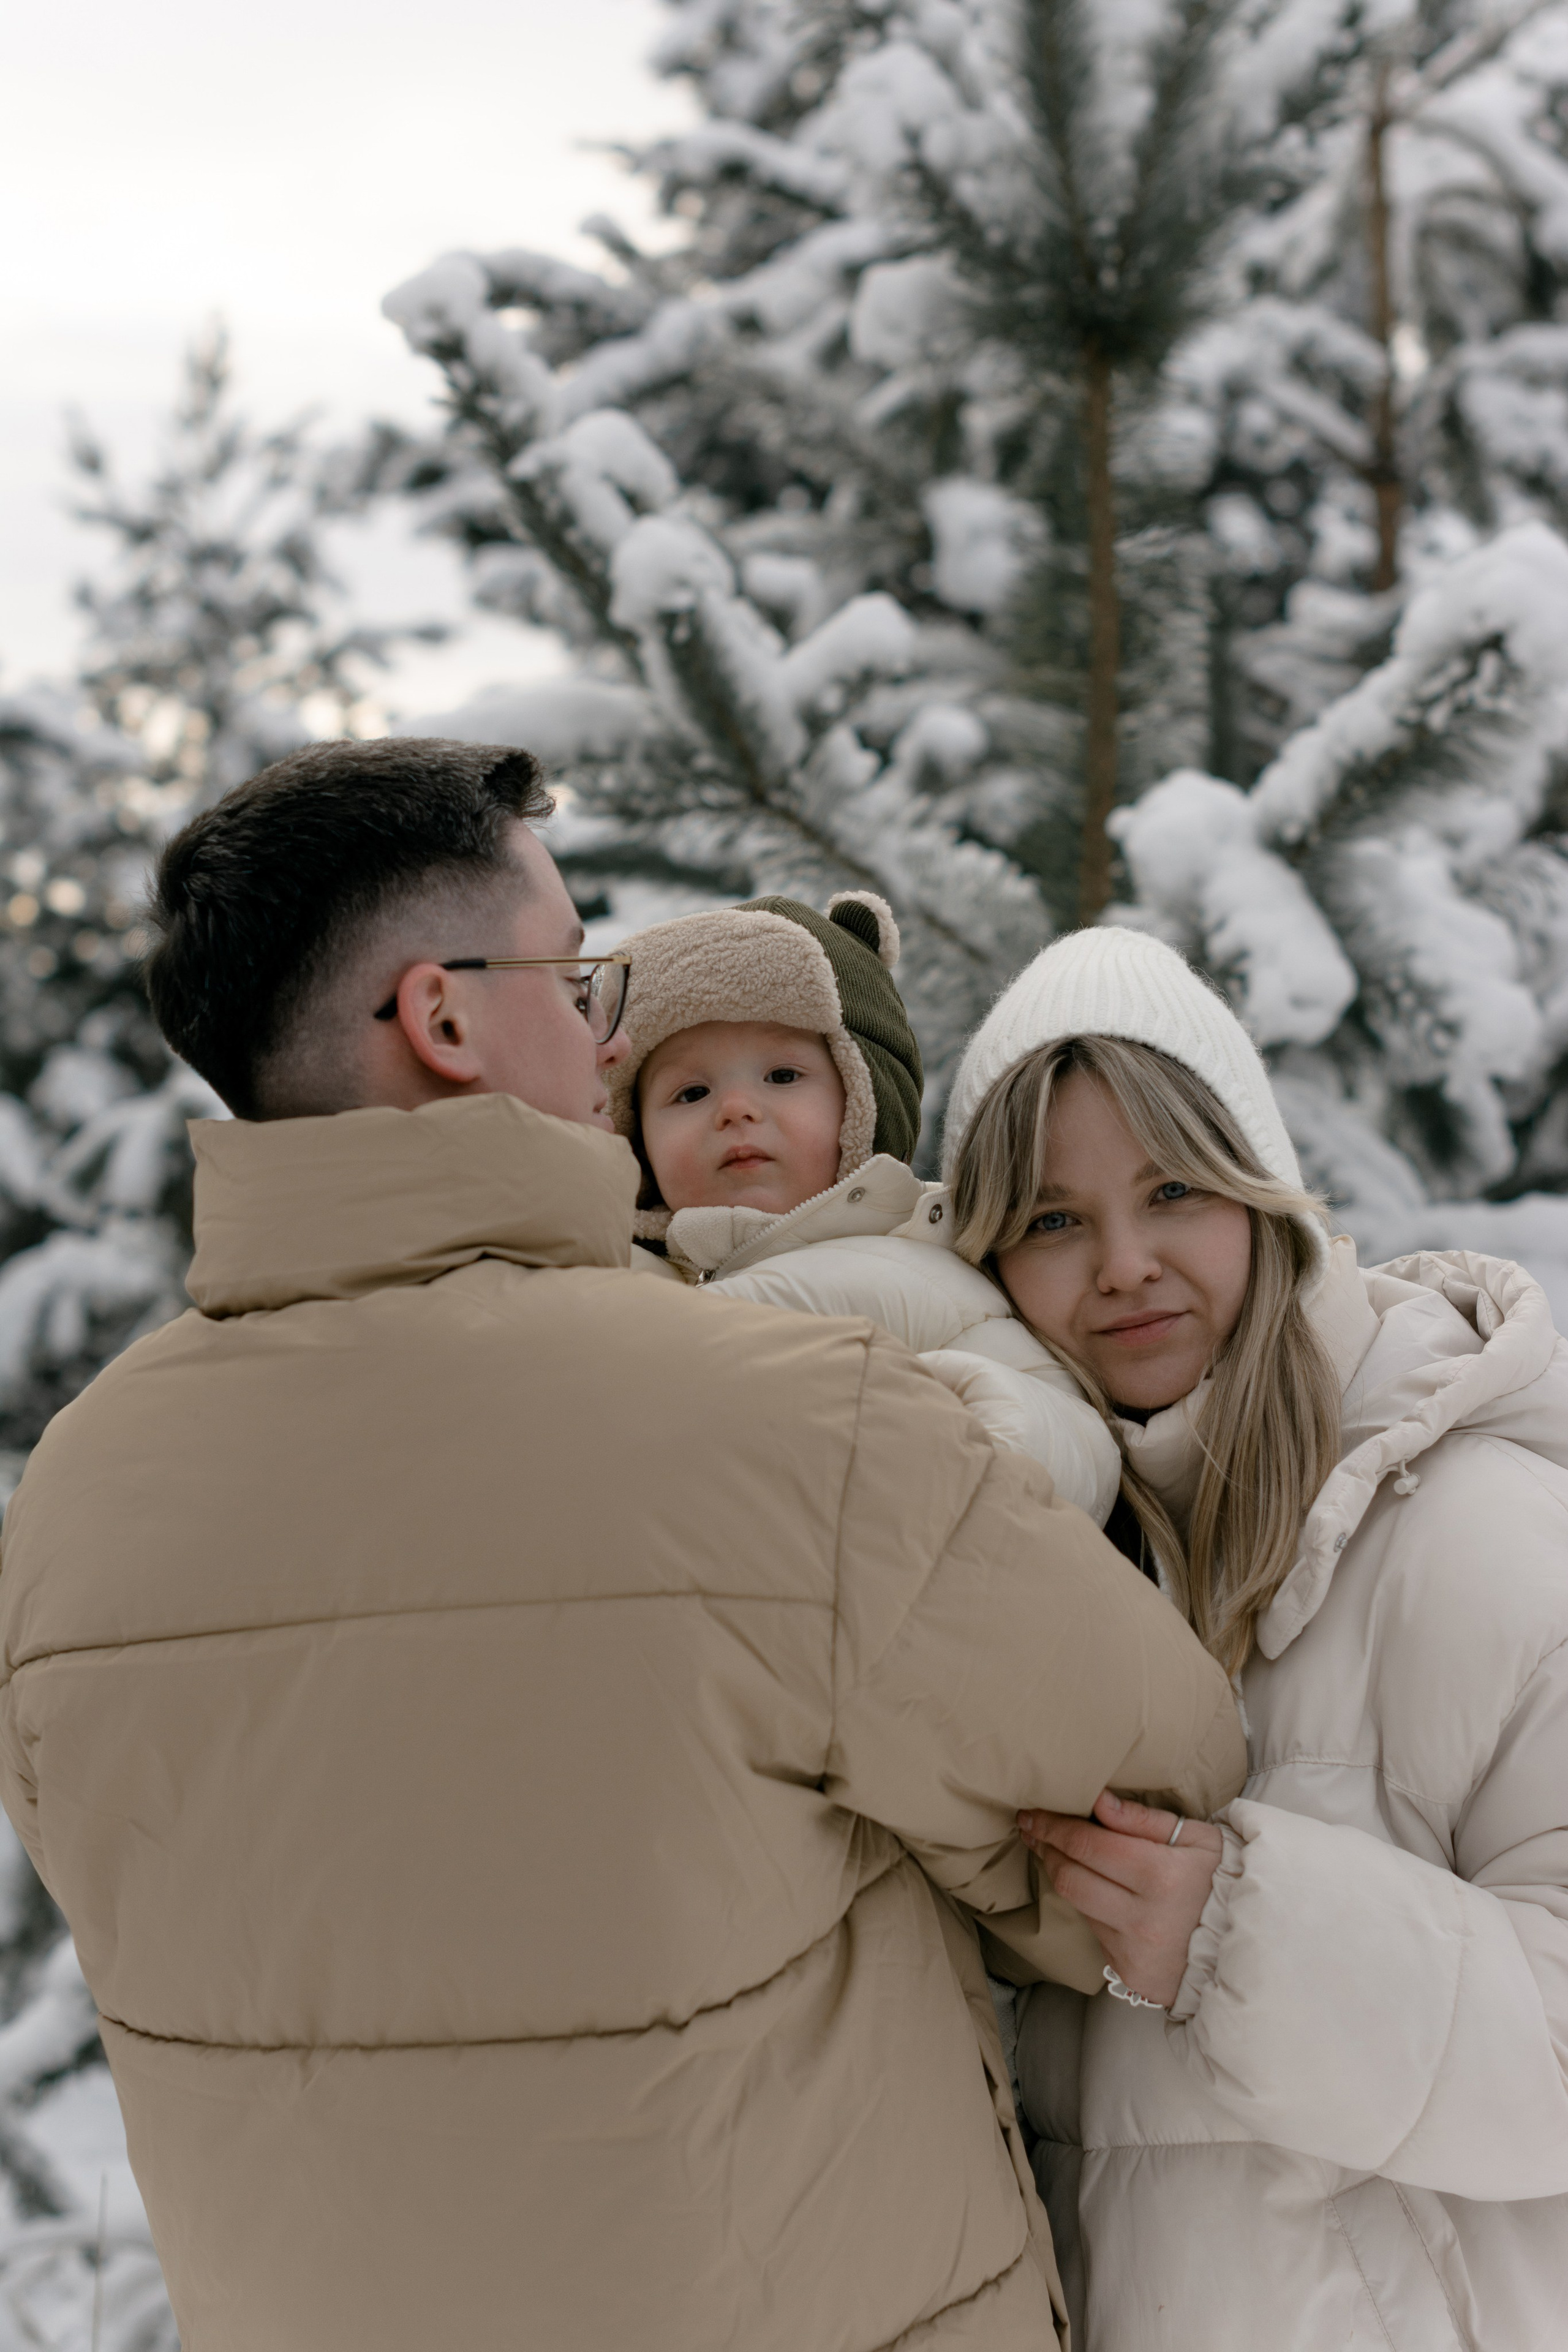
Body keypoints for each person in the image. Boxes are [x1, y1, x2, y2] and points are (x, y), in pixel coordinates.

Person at [0, 740, 1245, 2352]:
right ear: (447, 1018)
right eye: (579, 978)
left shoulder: (77, 1497)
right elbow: (1147, 1821)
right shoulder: (793, 1423)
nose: (608, 1035)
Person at [943, 921, 1568, 2352]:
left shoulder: (1470, 1530)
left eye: (1171, 1188)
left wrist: (1246, 1933)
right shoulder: (1010, 1579)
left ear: (1260, 1197)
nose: (1122, 1264)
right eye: (1049, 1219)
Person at [611, 888, 1120, 1519]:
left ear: (863, 1100)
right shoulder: (616, 1277)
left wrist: (983, 1435)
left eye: (782, 1076)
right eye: (690, 1093)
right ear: (636, 1141)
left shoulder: (924, 1267)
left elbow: (1076, 1444)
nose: (735, 1109)